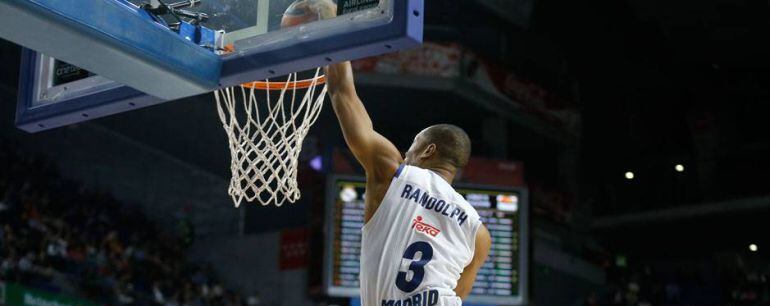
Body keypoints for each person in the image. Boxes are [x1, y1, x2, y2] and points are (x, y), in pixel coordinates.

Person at [318, 4, 492, 303]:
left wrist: (329, 21)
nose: (405, 153)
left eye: (412, 146)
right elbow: (457, 295)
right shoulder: (480, 235)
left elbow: (341, 91)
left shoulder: (393, 173)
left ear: (428, 149)